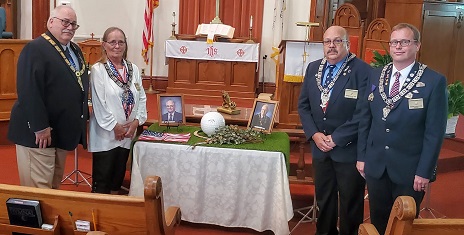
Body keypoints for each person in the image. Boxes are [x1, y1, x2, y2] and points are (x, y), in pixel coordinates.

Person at [357, 23, 447, 234]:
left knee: (404, 224)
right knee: (378, 219)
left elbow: (434, 132)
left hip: (410, 171)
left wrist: (424, 171)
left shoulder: (434, 81)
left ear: (417, 46)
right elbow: (365, 119)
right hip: (377, 165)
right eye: (394, 42)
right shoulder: (375, 75)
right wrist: (362, 156)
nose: (398, 46)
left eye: (405, 42)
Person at [298, 25, 371, 235]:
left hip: (348, 150)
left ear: (347, 43)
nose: (331, 46)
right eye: (327, 41)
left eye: (337, 41)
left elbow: (363, 113)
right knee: (325, 199)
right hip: (320, 148)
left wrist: (336, 138)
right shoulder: (313, 68)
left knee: (350, 202)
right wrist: (314, 134)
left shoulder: (362, 71)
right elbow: (303, 106)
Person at [7, 5, 89, 189]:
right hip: (39, 135)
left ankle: (50, 220)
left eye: (74, 24)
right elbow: (28, 91)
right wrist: (40, 127)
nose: (69, 27)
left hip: (60, 132)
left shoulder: (75, 50)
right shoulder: (35, 48)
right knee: (39, 190)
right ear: (51, 22)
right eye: (65, 22)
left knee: (53, 187)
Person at [88, 27, 147, 194]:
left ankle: (113, 215)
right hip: (106, 134)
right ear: (104, 45)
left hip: (128, 133)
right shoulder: (98, 70)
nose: (117, 46)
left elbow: (141, 97)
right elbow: (99, 102)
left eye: (121, 42)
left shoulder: (133, 69)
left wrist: (136, 122)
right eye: (112, 42)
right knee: (103, 181)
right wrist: (115, 127)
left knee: (117, 180)